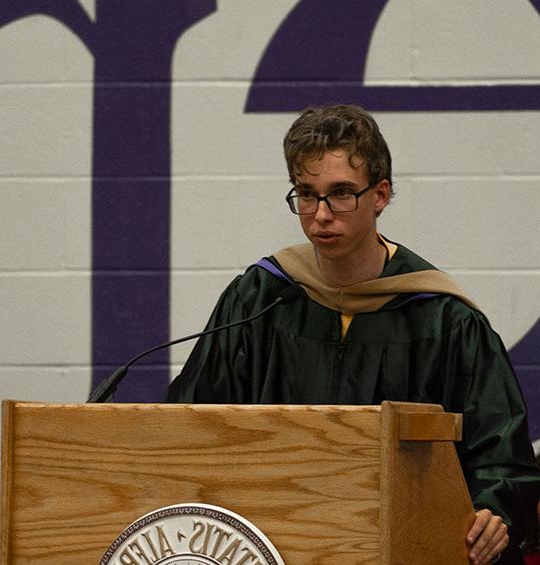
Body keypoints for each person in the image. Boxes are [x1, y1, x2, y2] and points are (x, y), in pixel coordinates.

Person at [165, 104, 540, 564]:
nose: (321, 214)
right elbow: (191, 423)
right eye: (307, 194)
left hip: (403, 546)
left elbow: (503, 455)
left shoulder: (441, 317)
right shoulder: (261, 298)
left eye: (341, 193)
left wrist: (493, 511)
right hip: (275, 542)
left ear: (380, 195)